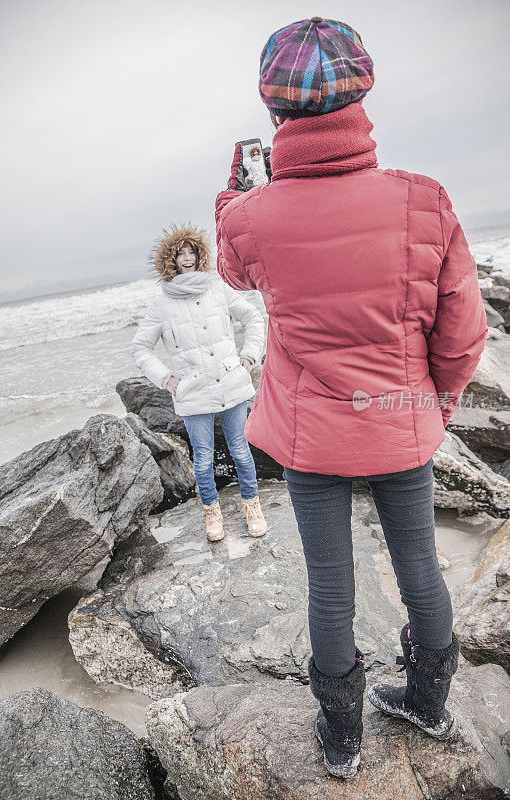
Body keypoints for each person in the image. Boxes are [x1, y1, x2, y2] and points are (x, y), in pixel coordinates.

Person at [214, 17, 488, 779]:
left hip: (310, 436)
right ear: (360, 92)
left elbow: (233, 272)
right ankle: (427, 704)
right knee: (419, 567)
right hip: (400, 423)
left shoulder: (252, 214)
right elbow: (463, 333)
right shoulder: (422, 199)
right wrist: (432, 407)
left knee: (329, 581)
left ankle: (342, 738)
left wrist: (232, 193)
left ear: (274, 112)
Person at [131, 223, 267, 541]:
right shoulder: (161, 304)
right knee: (203, 458)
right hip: (193, 392)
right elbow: (140, 347)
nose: (187, 257)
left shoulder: (217, 288)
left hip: (231, 383)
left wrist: (248, 357)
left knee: (241, 450)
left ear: (199, 255)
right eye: (180, 253)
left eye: (191, 251)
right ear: (171, 260)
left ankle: (252, 506)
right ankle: (212, 513)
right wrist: (165, 378)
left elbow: (253, 317)